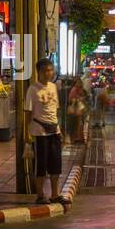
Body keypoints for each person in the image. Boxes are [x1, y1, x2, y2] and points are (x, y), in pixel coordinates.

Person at [23, 58, 67, 208]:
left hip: (54, 130)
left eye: (51, 70)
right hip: (39, 132)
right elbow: (27, 113)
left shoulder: (53, 87)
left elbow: (54, 110)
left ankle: (55, 194)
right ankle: (40, 195)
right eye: (46, 70)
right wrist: (27, 133)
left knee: (56, 164)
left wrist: (59, 130)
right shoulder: (32, 89)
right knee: (40, 165)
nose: (49, 73)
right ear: (39, 72)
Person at [66, 79, 88, 145]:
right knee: (75, 124)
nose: (79, 84)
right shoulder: (74, 90)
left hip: (79, 110)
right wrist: (78, 99)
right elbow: (70, 99)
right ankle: (75, 138)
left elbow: (84, 97)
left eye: (80, 83)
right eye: (78, 83)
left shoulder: (81, 90)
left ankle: (78, 138)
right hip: (75, 110)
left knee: (79, 124)